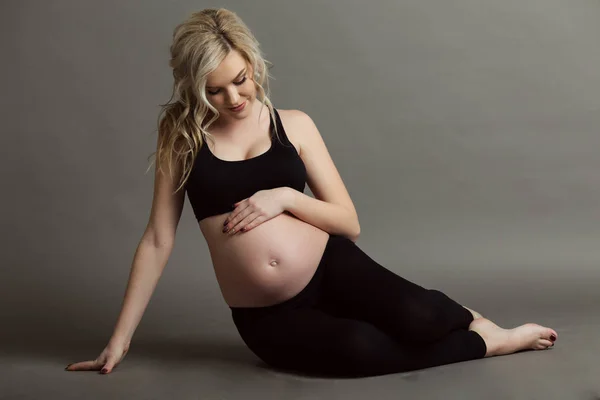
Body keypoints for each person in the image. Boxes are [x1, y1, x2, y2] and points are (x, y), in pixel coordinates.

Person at [65, 8, 558, 378]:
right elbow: (157, 240)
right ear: (193, 88)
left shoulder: (294, 125)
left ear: (253, 66)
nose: (234, 98)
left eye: (241, 80)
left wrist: (285, 197)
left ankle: (481, 324)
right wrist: (120, 341)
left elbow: (349, 222)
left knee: (421, 316)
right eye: (215, 91)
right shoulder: (182, 136)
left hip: (333, 267)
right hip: (266, 314)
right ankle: (486, 346)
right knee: (360, 350)